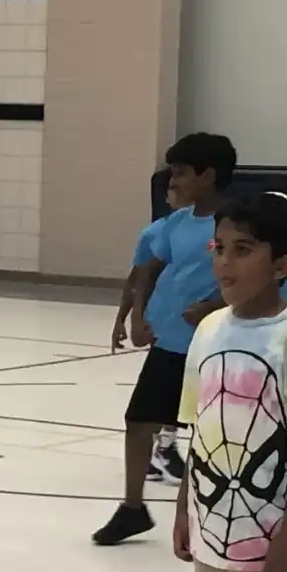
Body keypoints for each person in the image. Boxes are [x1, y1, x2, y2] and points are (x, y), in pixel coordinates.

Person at [93, 132, 236, 546]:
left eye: (181, 172)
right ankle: (132, 508)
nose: (173, 180)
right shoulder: (176, 223)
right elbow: (148, 271)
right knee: (138, 421)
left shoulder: (237, 223)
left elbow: (256, 276)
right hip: (170, 343)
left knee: (213, 434)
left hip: (216, 346)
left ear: (208, 175)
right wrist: (138, 316)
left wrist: (212, 304)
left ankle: (203, 513)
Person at [174, 193, 287, 572]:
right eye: (218, 248)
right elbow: (199, 427)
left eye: (243, 250)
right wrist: (184, 506)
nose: (225, 262)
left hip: (272, 534)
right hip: (212, 524)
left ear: (281, 265)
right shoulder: (209, 329)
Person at [111, 187, 189, 484]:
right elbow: (137, 278)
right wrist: (124, 318)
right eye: (172, 188)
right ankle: (164, 447)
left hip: (191, 323)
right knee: (166, 391)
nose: (178, 192)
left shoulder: (215, 226)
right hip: (162, 321)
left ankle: (164, 445)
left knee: (183, 391)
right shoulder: (156, 232)